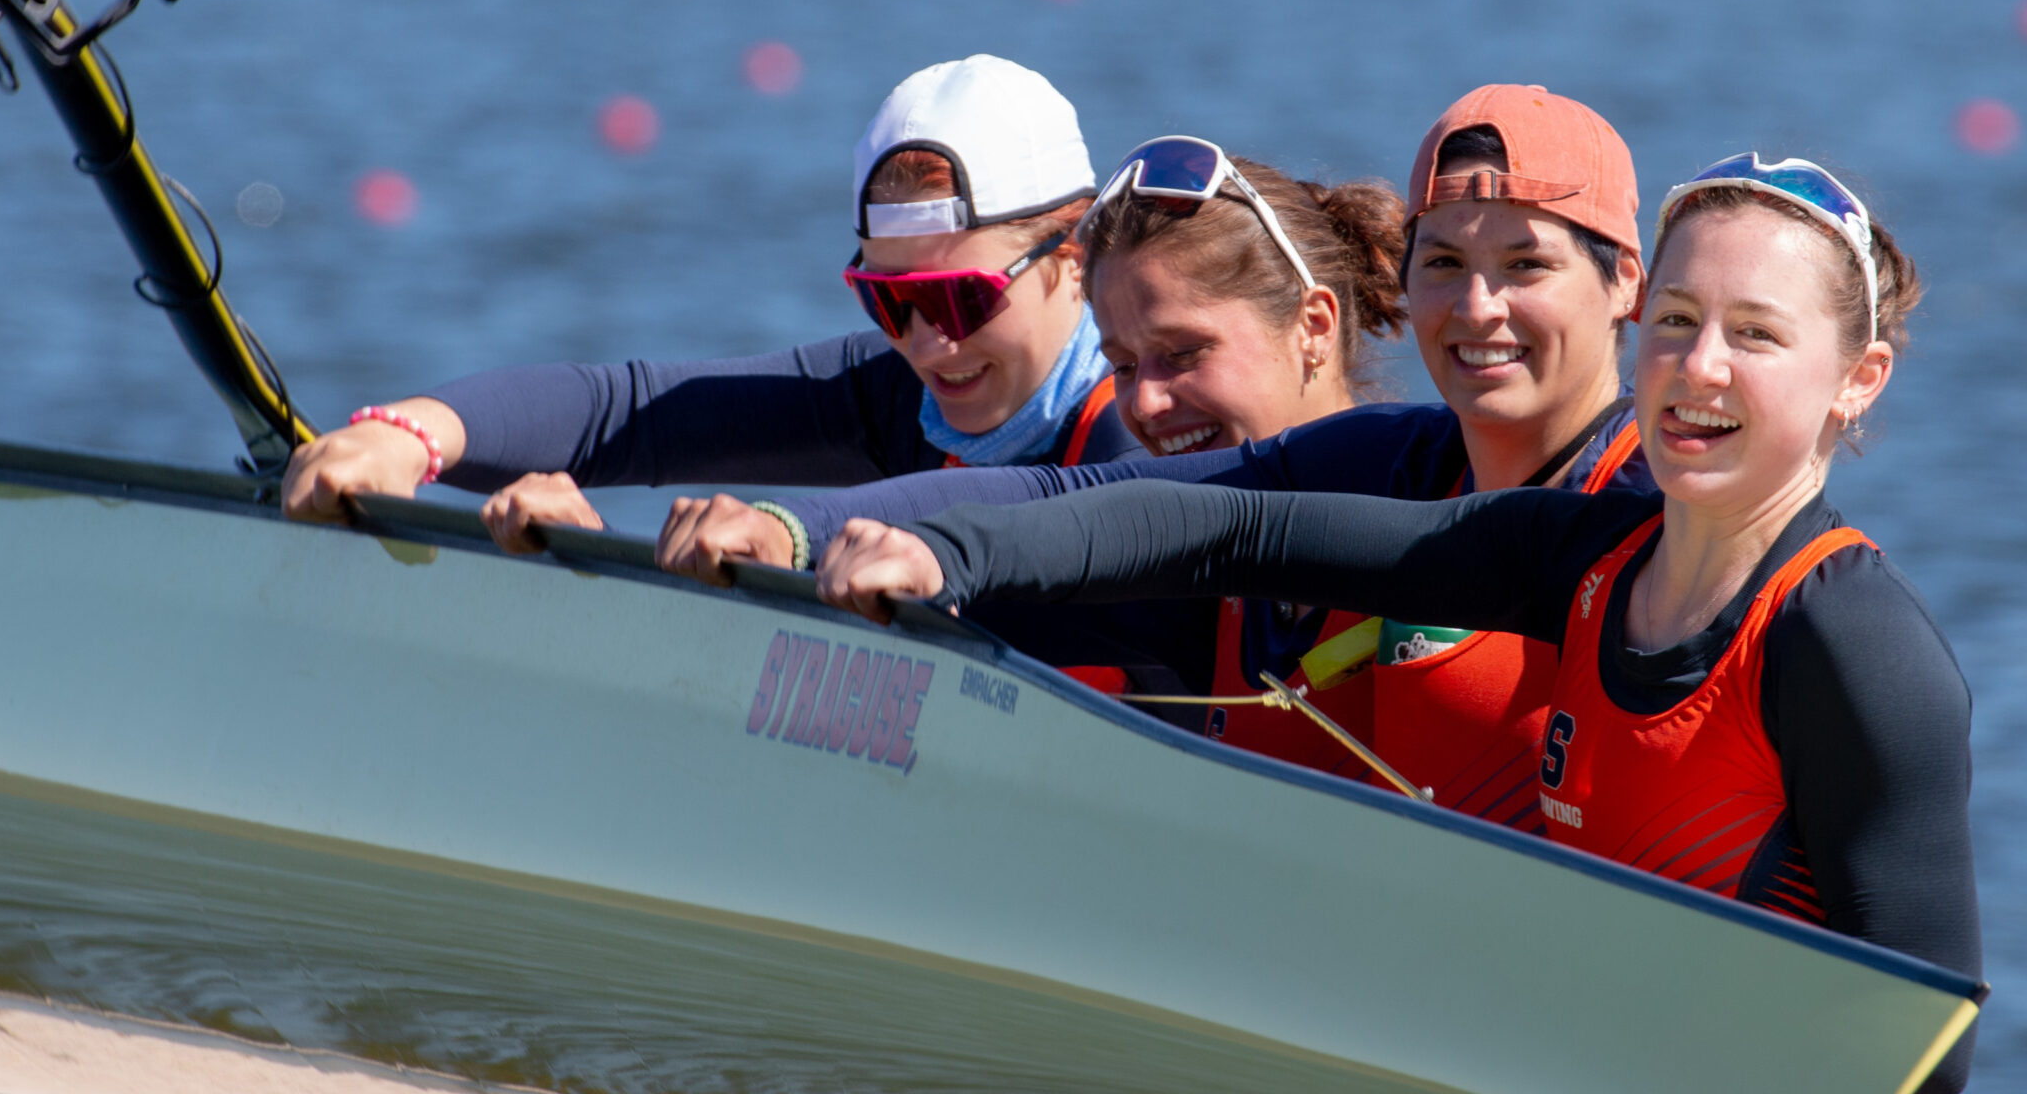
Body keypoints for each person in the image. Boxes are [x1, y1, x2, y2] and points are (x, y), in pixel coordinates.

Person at [815, 153, 1979, 1094]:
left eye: (1755, 334)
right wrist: (938, 548)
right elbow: (1232, 527)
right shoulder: (1577, 560)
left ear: (1855, 379)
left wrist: (1550, 972)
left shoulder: (1846, 635)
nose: (1700, 366)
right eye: (1676, 322)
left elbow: (1930, 1048)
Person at [665, 86, 1653, 819]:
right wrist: (799, 532)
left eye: (1525, 264)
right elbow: (1098, 496)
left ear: (1627, 288)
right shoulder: (1384, 463)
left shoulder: (1661, 507)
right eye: (1443, 264)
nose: (1476, 307)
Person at [278, 55, 1143, 540]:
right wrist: (408, 435)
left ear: (1075, 257)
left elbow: (1020, 533)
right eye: (887, 302)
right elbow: (633, 411)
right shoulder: (911, 399)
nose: (926, 345)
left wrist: (779, 534)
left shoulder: (1149, 425)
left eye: (958, 300)